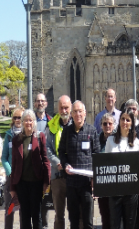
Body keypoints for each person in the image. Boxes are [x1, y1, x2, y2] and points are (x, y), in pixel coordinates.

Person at [59, 101, 101, 229]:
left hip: (87, 183)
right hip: (71, 183)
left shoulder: (92, 131)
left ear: (85, 113)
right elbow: (61, 151)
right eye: (75, 111)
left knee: (88, 221)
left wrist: (95, 178)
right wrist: (65, 164)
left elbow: (97, 154)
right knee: (74, 221)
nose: (78, 114)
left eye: (80, 111)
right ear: (71, 114)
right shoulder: (66, 131)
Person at [10, 109, 51, 229]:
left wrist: (46, 182)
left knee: (36, 215)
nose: (29, 123)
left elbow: (45, 160)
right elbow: (14, 164)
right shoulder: (16, 139)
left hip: (36, 183)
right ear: (22, 122)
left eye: (31, 120)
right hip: (22, 184)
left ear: (34, 122)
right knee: (25, 216)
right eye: (26, 120)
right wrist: (13, 187)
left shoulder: (40, 137)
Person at [106, 111, 139, 229]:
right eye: (122, 119)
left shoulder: (137, 143)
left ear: (132, 123)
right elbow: (105, 163)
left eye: (128, 120)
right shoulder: (110, 141)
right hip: (114, 190)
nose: (125, 122)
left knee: (130, 224)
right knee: (115, 224)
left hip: (130, 191)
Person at [45, 95, 74, 229]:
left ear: (71, 108)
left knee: (75, 213)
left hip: (74, 176)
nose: (64, 111)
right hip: (58, 176)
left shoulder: (76, 124)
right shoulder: (52, 126)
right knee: (59, 214)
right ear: (58, 108)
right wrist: (58, 163)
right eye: (61, 108)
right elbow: (48, 149)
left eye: (66, 107)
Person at [2, 108, 23, 229]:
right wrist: (9, 172)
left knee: (23, 210)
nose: (17, 120)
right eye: (15, 117)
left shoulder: (26, 134)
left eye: (19, 117)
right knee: (10, 209)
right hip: (11, 178)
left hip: (23, 177)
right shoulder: (9, 135)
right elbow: (4, 157)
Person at [34, 93, 53, 228]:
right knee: (34, 201)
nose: (40, 103)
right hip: (33, 168)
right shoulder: (31, 121)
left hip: (47, 168)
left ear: (46, 103)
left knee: (46, 201)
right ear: (35, 103)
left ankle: (45, 226)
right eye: (38, 101)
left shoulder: (51, 122)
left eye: (42, 101)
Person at [97, 113, 115, 229]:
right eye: (105, 123)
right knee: (104, 214)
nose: (107, 125)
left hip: (115, 183)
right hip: (102, 184)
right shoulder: (96, 140)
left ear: (114, 125)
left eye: (110, 123)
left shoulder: (117, 139)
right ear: (101, 125)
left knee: (116, 215)